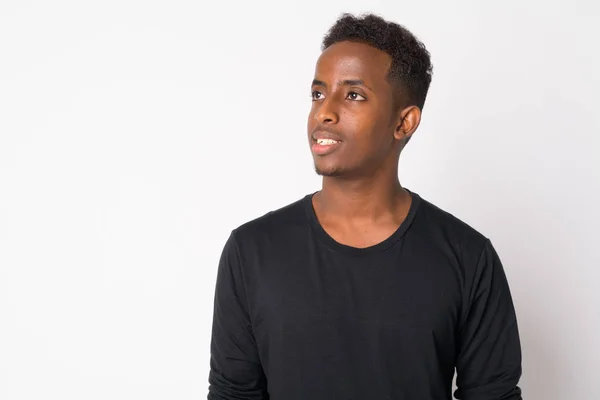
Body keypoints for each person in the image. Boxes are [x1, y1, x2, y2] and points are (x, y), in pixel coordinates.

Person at [207, 12, 523, 400]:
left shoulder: (468, 257)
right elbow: (233, 395)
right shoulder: (251, 251)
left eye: (353, 95)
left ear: (404, 123)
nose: (324, 111)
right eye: (318, 93)